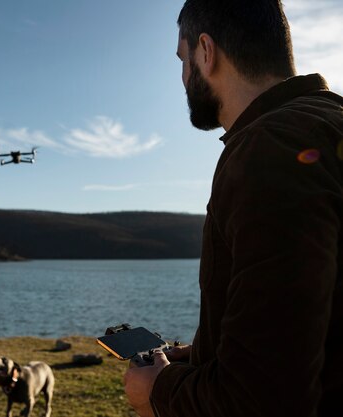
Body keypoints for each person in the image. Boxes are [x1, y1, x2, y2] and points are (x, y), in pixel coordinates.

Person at [123, 1, 343, 416]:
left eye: (182, 60)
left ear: (206, 52)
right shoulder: (328, 121)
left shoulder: (268, 150)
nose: (183, 76)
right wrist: (207, 352)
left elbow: (261, 397)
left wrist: (156, 391)